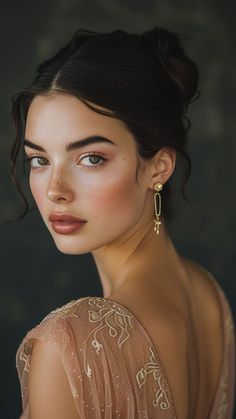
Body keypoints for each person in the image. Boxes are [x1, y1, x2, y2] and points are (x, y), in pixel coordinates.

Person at [12, 27, 235, 419]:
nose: (54, 190)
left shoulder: (71, 344)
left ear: (159, 167)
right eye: (39, 160)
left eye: (90, 158)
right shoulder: (207, 295)